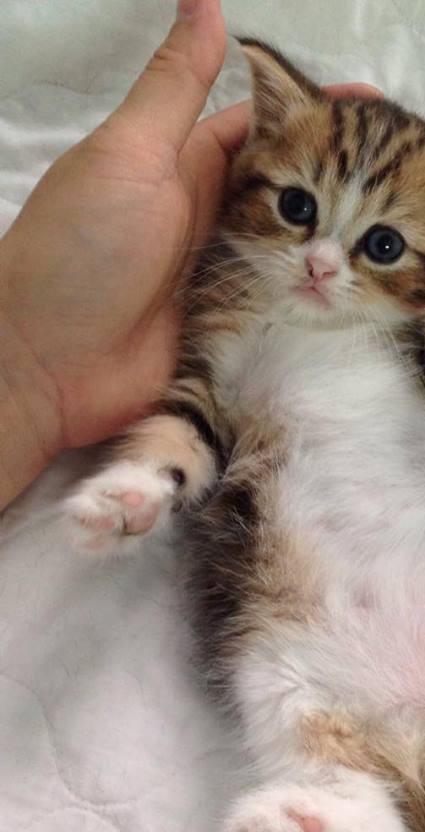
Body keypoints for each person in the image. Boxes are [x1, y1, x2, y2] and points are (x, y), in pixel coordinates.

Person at [0, 0, 378, 511]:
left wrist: (23, 372)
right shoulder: (221, 295)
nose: (321, 263)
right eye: (298, 206)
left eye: (378, 245)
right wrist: (21, 367)